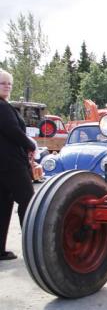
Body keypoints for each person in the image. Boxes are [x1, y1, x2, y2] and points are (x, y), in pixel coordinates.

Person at [0, 69, 36, 260]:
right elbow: (13, 131)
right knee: (29, 202)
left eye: (9, 83)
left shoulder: (5, 106)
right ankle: (33, 247)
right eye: (2, 83)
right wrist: (31, 144)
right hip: (12, 164)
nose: (7, 86)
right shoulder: (3, 107)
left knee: (3, 206)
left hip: (4, 165)